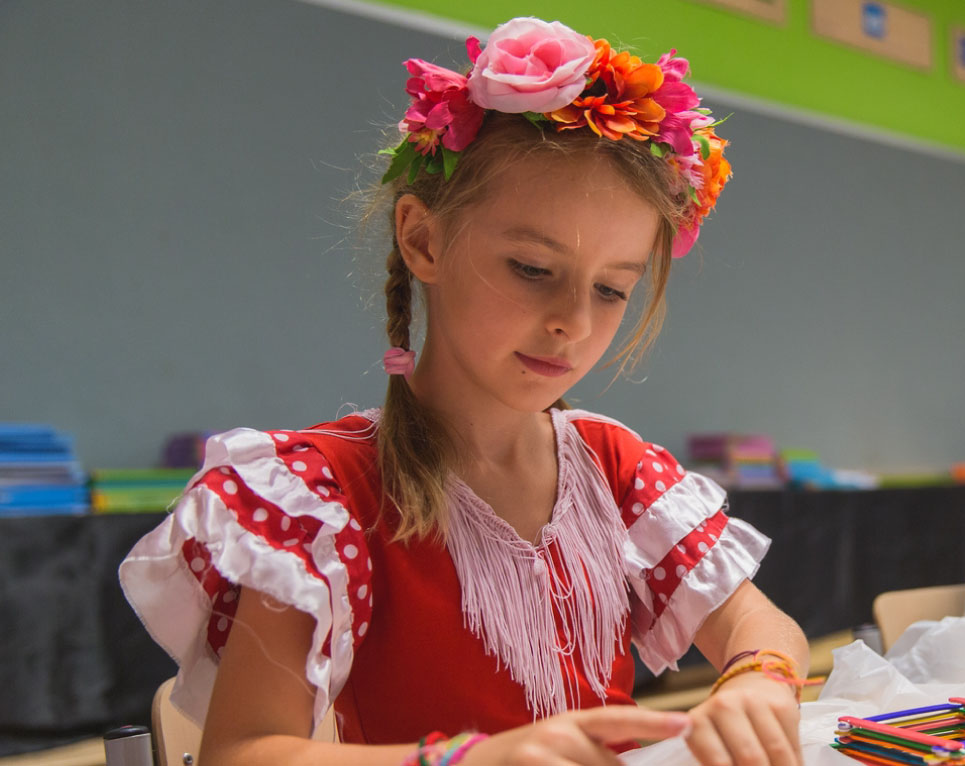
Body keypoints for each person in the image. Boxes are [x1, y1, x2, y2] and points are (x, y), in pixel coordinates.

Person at [120, 17, 808, 766]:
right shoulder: (322, 496)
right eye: (533, 270)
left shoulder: (615, 469)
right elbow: (245, 753)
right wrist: (476, 758)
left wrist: (759, 681)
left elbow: (762, 627)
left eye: (611, 291)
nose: (571, 324)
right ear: (423, 240)